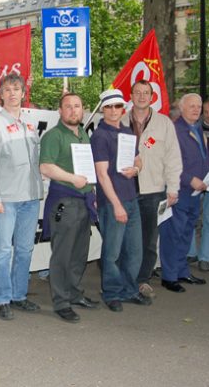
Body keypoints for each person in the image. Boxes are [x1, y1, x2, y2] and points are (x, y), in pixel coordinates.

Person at [0, 73, 43, 321]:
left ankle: (19, 295)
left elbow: (35, 162)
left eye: (17, 89)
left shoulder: (29, 124)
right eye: (7, 90)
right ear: (1, 95)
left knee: (25, 249)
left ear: (23, 93)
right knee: (4, 250)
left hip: (30, 198)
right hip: (6, 199)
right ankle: (3, 298)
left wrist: (40, 188)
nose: (13, 93)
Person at [39, 93, 99, 323]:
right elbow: (45, 167)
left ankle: (74, 293)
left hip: (83, 202)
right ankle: (61, 302)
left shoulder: (83, 134)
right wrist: (73, 179)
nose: (74, 110)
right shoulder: (54, 136)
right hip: (65, 201)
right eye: (68, 107)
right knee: (63, 255)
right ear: (60, 111)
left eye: (77, 106)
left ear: (83, 109)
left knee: (79, 253)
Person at [121, 80, 182, 297]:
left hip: (153, 190)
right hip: (125, 190)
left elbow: (173, 158)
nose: (142, 96)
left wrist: (173, 187)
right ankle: (123, 279)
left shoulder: (164, 123)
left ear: (152, 96)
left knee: (148, 240)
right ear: (131, 95)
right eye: (137, 92)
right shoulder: (119, 121)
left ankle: (142, 280)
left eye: (146, 93)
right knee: (124, 239)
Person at [90, 89, 148, 312]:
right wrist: (116, 205)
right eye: (109, 107)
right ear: (103, 109)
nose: (114, 111)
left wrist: (136, 168)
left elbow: (138, 158)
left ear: (123, 108)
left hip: (132, 198)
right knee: (112, 252)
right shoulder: (100, 136)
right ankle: (112, 292)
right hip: (113, 202)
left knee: (134, 251)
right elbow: (101, 174)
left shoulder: (127, 132)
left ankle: (129, 290)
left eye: (117, 106)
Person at [159, 93, 208, 292]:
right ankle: (169, 276)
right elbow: (167, 161)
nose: (196, 110)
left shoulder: (197, 129)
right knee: (173, 233)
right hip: (179, 190)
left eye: (198, 106)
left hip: (196, 193)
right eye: (192, 106)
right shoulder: (174, 129)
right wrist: (189, 179)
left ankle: (182, 271)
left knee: (186, 234)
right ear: (182, 108)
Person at [187, 98, 209, 271]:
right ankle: (191, 252)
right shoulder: (194, 128)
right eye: (206, 112)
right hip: (196, 179)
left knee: (208, 219)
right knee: (192, 217)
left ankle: (205, 257)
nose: (208, 115)